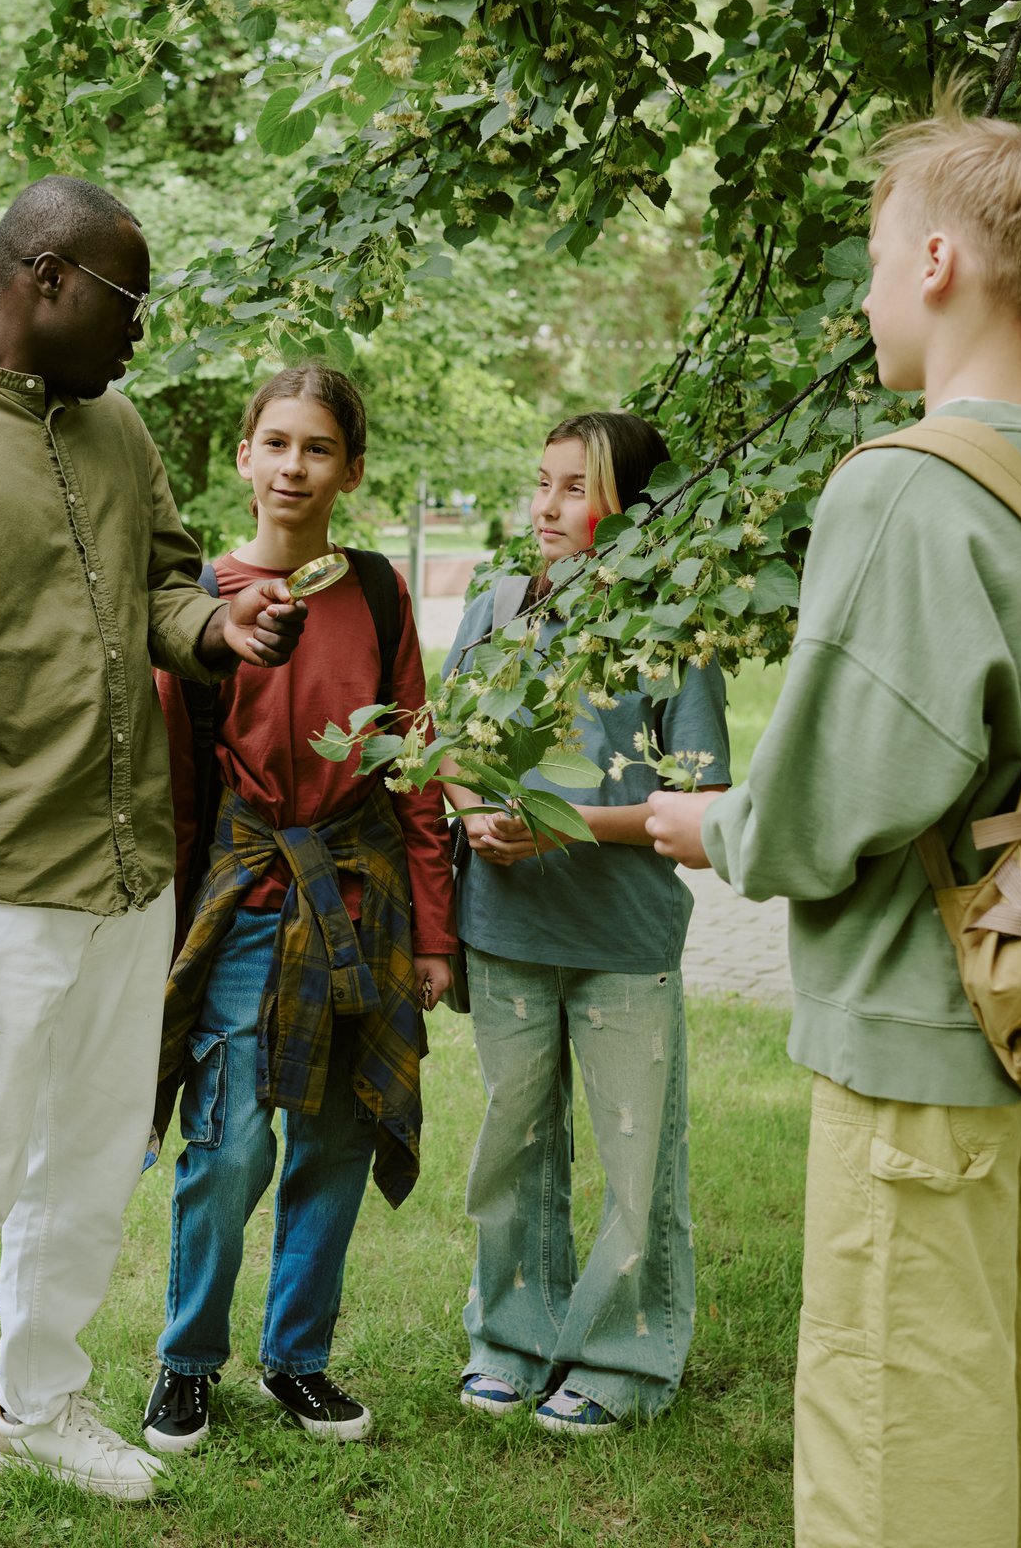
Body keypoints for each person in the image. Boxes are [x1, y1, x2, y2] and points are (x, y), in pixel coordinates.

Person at [643, 89, 1021, 1547]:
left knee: (898, 1445)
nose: (869, 287)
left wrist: (716, 829)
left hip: (923, 1043)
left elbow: (828, 804)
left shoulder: (906, 487)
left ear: (937, 262)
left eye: (877, 252)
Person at [0, 174, 308, 1548]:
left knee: (94, 1159)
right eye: (127, 298)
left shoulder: (117, 427)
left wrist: (226, 632)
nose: (141, 331)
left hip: (130, 869)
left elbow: (167, 586)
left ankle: (39, 1401)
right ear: (42, 277)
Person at [141, 364, 454, 1454]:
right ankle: (186, 1361)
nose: (294, 466)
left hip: (357, 894)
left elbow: (412, 765)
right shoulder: (201, 605)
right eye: (275, 442)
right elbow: (179, 788)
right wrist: (173, 930)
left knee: (335, 1136)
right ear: (243, 457)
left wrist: (432, 929)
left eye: (318, 448)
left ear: (351, 470)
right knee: (227, 1145)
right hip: (246, 896)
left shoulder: (375, 591)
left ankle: (298, 1359)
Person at [442, 412, 729, 1437]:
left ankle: (622, 1357)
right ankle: (512, 1338)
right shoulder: (495, 610)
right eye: (543, 483)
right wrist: (475, 809)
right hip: (505, 926)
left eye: (576, 488)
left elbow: (700, 802)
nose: (549, 506)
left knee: (634, 1155)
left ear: (633, 511)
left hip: (622, 938)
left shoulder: (670, 635)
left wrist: (560, 825)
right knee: (512, 1146)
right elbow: (450, 752)